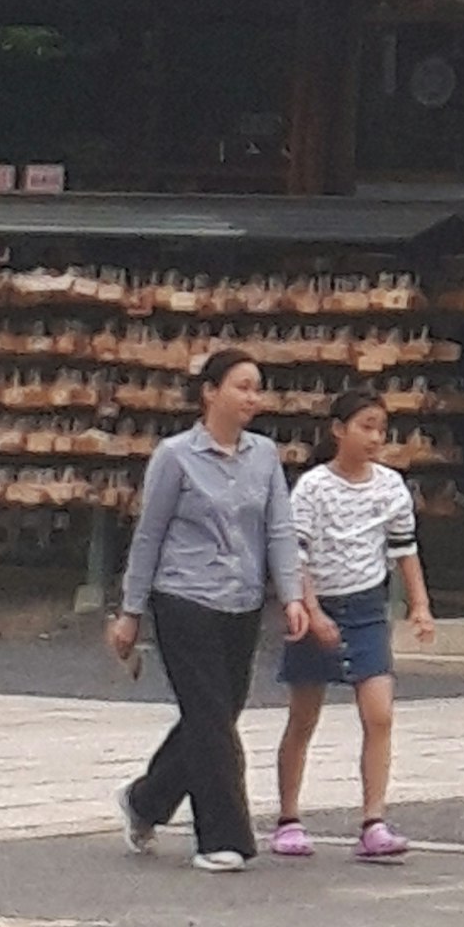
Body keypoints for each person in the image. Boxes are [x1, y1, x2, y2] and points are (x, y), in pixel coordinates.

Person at [111, 350, 331, 873]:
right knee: (211, 719)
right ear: (210, 393)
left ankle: (146, 800)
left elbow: (278, 528)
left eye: (258, 388)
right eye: (242, 386)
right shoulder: (175, 456)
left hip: (241, 599)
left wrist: (292, 595)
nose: (253, 397)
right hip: (184, 596)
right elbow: (149, 536)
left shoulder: (264, 457)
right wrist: (130, 610)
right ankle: (222, 836)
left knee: (218, 713)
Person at [272, 395, 435, 862]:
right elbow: (295, 553)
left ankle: (374, 819)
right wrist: (311, 608)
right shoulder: (312, 488)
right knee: (304, 715)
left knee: (379, 713)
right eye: (366, 426)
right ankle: (288, 816)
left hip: (367, 606)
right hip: (317, 604)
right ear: (339, 430)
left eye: (382, 429)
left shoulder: (391, 487)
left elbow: (405, 548)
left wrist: (419, 605)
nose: (375, 438)